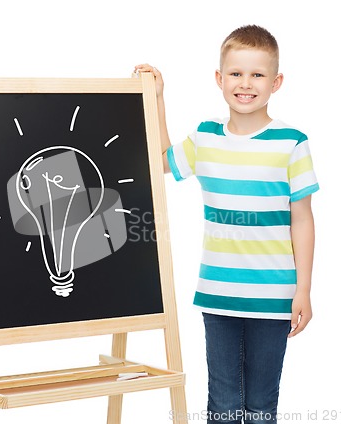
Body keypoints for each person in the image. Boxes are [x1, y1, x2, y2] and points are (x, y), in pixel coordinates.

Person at [135, 24, 319, 424]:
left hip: (273, 298)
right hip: (217, 295)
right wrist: (158, 97)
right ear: (220, 79)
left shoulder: (291, 142)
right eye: (236, 73)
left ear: (276, 82)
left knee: (259, 406)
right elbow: (161, 161)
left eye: (257, 74)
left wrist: (303, 289)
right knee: (221, 404)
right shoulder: (206, 137)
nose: (245, 84)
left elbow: (302, 220)